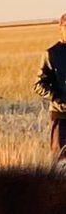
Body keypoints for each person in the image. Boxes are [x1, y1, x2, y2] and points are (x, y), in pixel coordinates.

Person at [35, 13, 66, 157]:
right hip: (61, 115)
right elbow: (39, 84)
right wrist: (57, 97)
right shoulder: (52, 54)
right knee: (60, 161)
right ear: (60, 28)